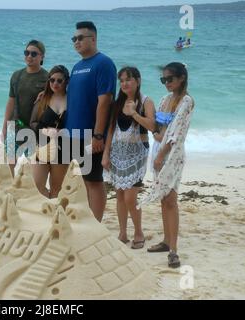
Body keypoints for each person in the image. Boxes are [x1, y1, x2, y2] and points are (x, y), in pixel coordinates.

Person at [139, 62, 194, 268]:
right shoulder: (164, 100)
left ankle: (174, 250)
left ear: (181, 78)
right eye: (163, 80)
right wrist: (156, 136)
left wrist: (161, 153)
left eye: (169, 79)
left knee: (170, 200)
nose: (166, 83)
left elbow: (176, 134)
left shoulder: (186, 101)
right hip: (158, 151)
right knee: (164, 199)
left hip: (172, 155)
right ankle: (166, 241)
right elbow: (157, 127)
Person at [65, 21, 117, 222]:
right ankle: (87, 220)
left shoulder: (103, 63)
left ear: (93, 39)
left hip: (91, 135)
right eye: (74, 39)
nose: (76, 42)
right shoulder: (77, 66)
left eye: (80, 38)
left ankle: (96, 224)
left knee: (94, 180)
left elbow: (105, 101)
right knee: (82, 180)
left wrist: (98, 135)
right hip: (72, 134)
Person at [102, 67, 155, 249]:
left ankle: (138, 232)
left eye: (128, 79)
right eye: (122, 80)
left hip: (137, 154)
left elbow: (152, 126)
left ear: (138, 81)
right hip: (117, 153)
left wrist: (134, 113)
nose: (124, 83)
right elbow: (111, 130)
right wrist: (106, 154)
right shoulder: (117, 103)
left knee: (130, 198)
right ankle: (123, 233)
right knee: (119, 196)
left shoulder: (146, 102)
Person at [1, 40, 48, 176]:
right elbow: (11, 101)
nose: (29, 56)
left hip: (34, 130)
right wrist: (4, 126)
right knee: (10, 161)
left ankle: (33, 193)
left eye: (34, 54)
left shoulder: (48, 78)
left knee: (33, 166)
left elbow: (57, 101)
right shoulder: (17, 75)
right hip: (14, 126)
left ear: (42, 57)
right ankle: (13, 188)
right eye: (26, 53)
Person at [30, 65, 70, 198]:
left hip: (63, 149)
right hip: (42, 145)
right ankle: (46, 211)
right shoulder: (43, 98)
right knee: (37, 186)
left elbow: (76, 124)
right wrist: (46, 130)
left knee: (57, 189)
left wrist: (62, 131)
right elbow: (33, 123)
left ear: (67, 81)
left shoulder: (73, 101)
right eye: (52, 80)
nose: (55, 83)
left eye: (60, 80)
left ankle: (54, 216)